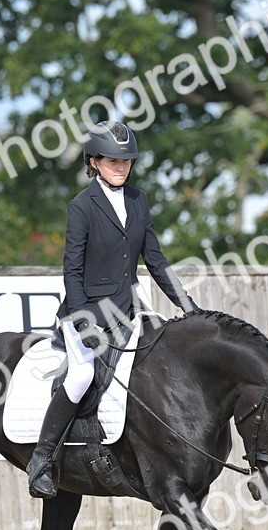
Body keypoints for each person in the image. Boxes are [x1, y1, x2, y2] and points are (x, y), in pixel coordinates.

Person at [27, 120, 197, 498]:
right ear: (94, 162)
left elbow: (155, 259)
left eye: (126, 161)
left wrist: (188, 306)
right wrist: (83, 320)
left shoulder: (138, 200)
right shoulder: (81, 207)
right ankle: (42, 460)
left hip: (128, 310)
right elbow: (71, 270)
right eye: (112, 161)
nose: (121, 167)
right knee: (81, 375)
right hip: (84, 313)